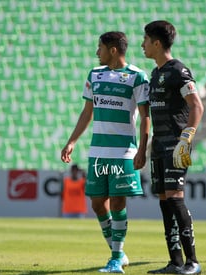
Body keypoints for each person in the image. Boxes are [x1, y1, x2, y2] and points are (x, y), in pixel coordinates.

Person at [61, 31, 150, 274]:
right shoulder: (95, 74)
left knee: (118, 202)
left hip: (123, 152)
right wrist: (72, 141)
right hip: (98, 152)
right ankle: (118, 251)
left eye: (99, 47)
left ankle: (114, 257)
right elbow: (86, 112)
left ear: (112, 50)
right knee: (98, 204)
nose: (96, 52)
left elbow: (145, 117)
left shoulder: (137, 77)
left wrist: (142, 149)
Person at [141, 20, 204, 275]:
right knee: (165, 201)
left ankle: (193, 262)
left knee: (176, 200)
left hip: (176, 146)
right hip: (158, 146)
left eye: (145, 40)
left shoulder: (179, 71)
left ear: (157, 43)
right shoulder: (155, 74)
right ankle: (175, 261)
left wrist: (186, 138)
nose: (142, 44)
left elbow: (197, 106)